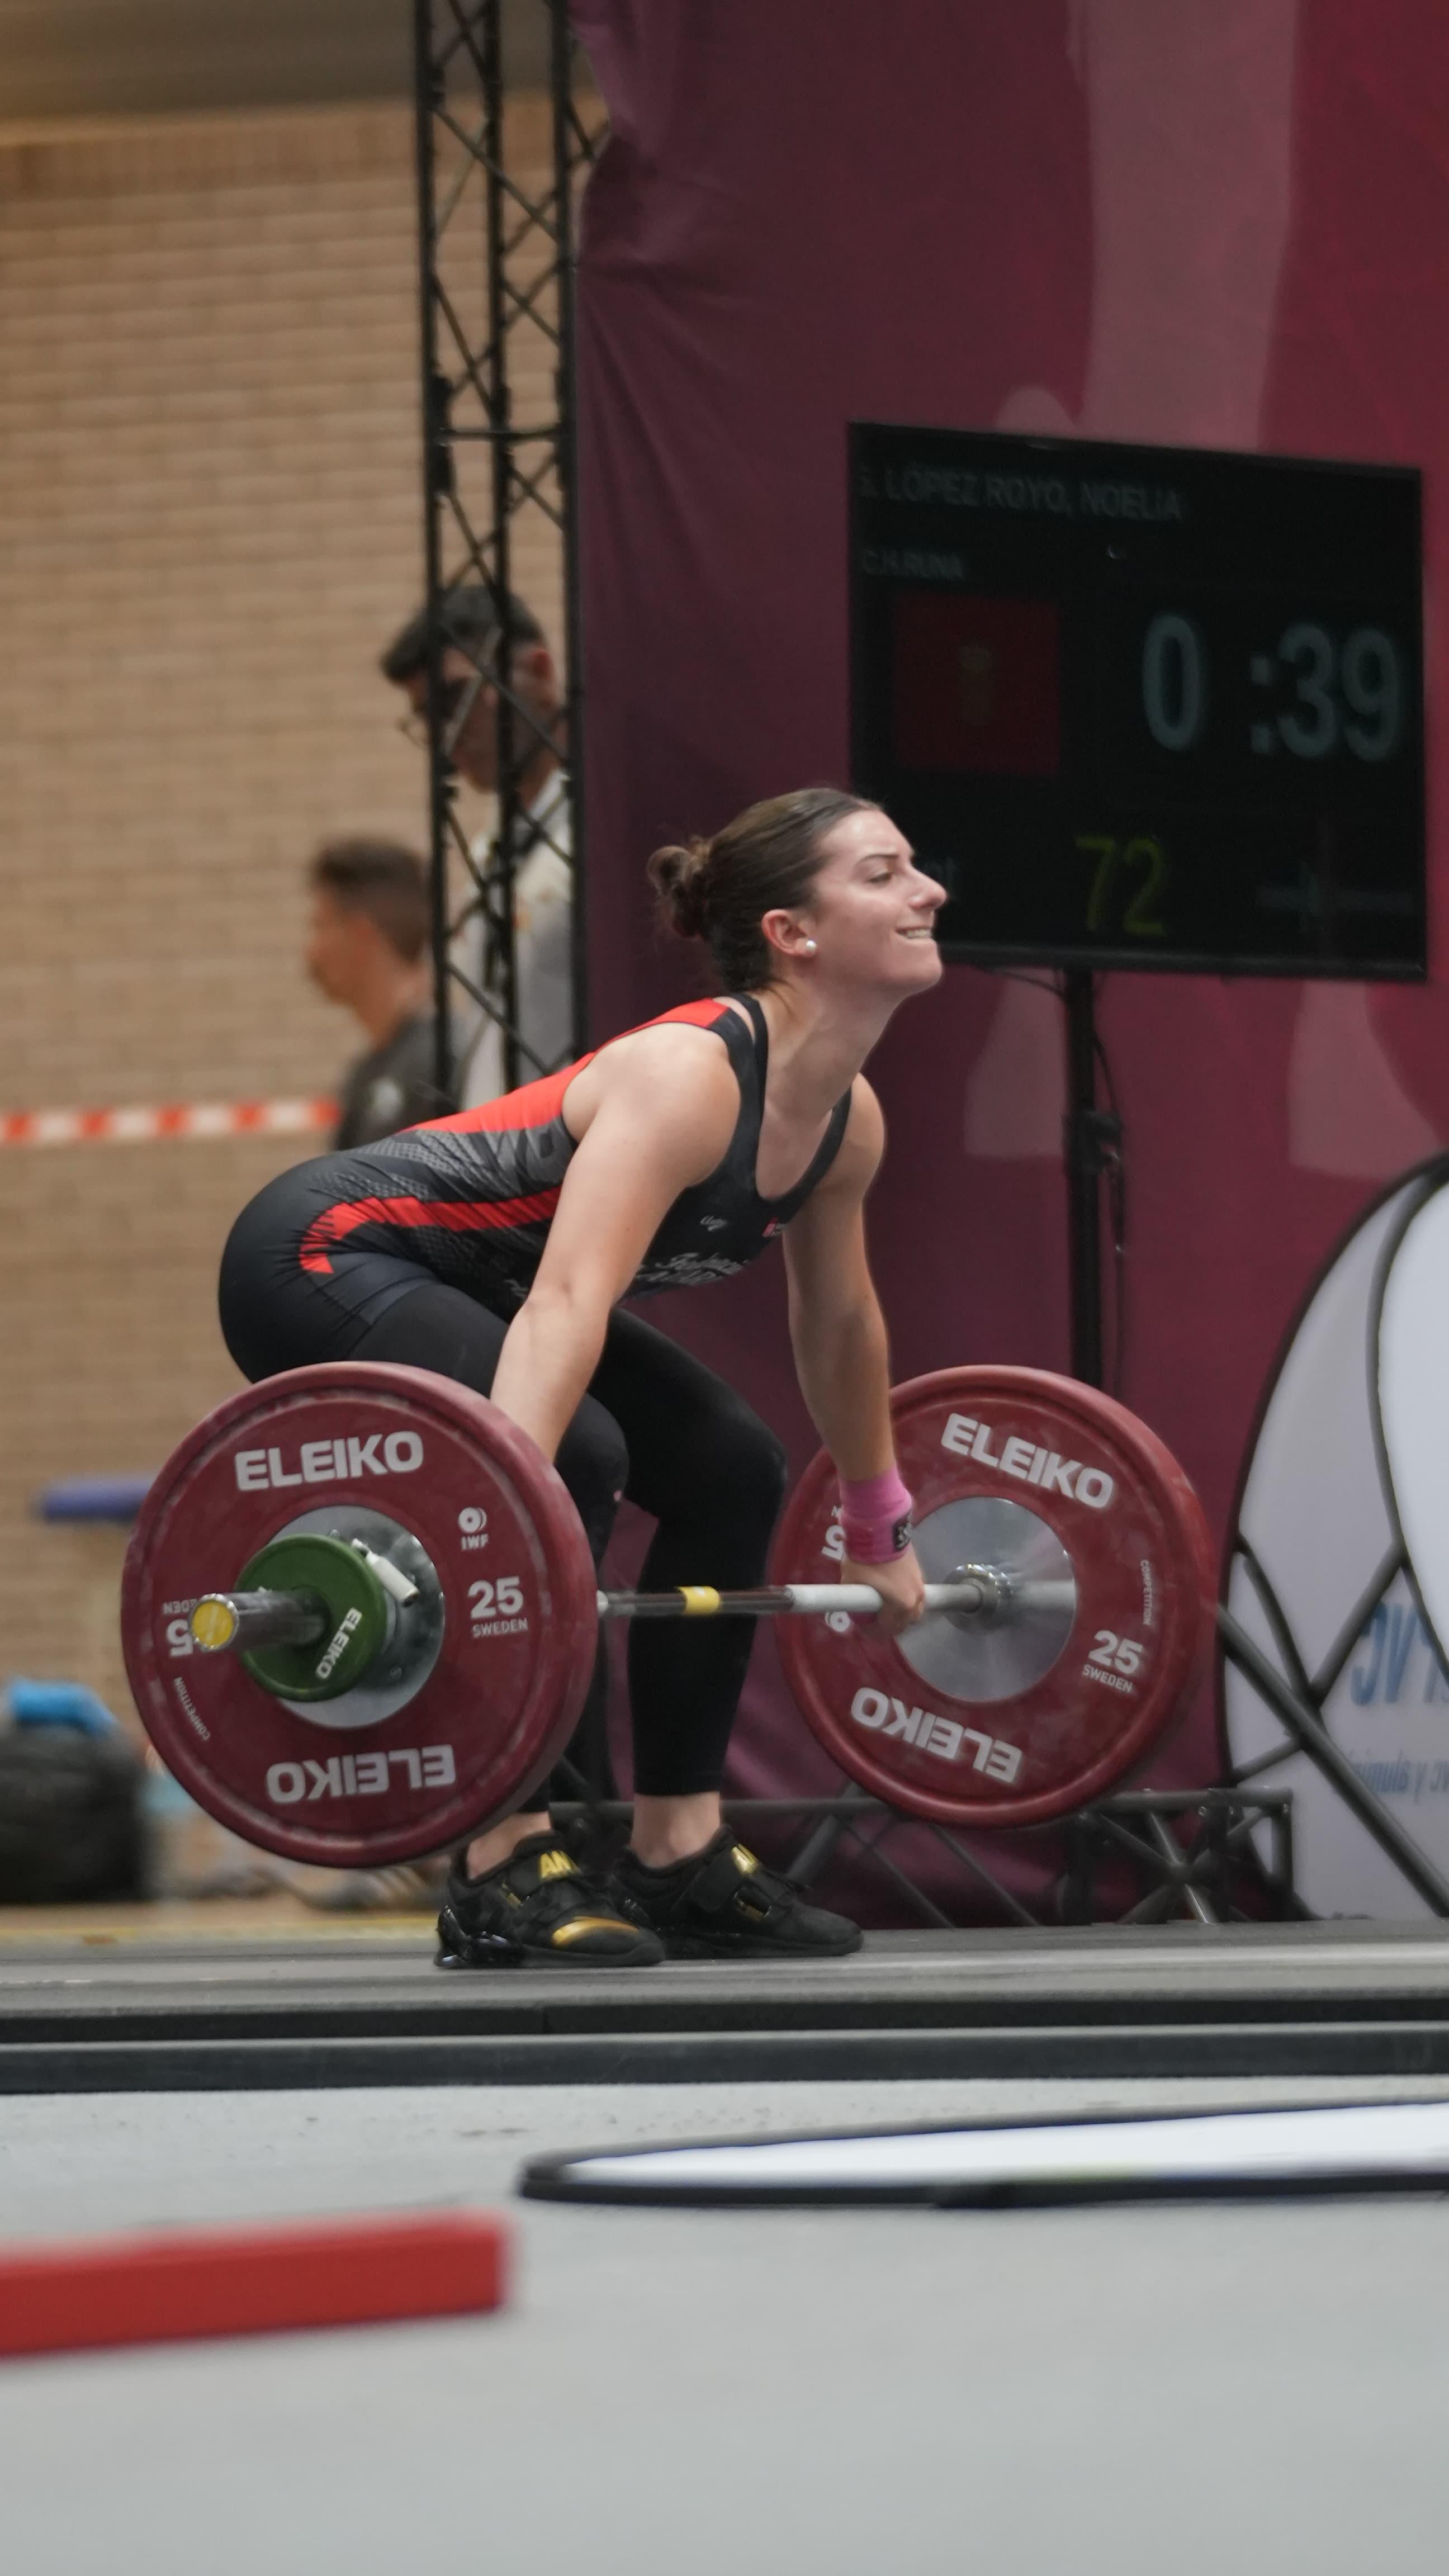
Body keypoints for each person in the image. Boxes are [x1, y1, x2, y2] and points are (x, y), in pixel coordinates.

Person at [219, 785, 946, 1967]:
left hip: (478, 1287)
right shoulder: (687, 1076)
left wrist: (878, 1520)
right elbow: (566, 1304)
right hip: (321, 1252)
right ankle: (507, 1863)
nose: (928, 892)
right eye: (883, 873)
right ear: (791, 932)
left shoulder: (845, 1120)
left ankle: (679, 1853)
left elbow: (842, 1321)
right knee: (572, 1451)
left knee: (730, 1468)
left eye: (914, 867)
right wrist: (494, 1504)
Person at [381, 586, 572, 1104]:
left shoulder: (600, 831)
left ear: (540, 672)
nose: (448, 734)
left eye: (459, 700)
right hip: (502, 1161)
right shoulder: (490, 849)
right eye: (428, 716)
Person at [305, 839, 452, 1148]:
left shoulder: (441, 1063)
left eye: (320, 926)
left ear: (361, 936)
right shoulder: (365, 1074)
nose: (311, 952)